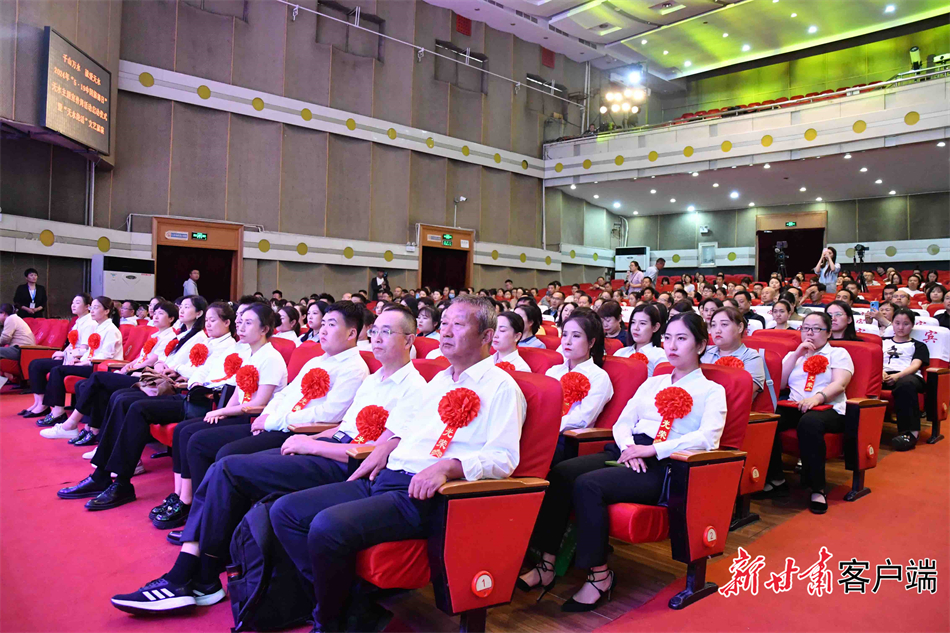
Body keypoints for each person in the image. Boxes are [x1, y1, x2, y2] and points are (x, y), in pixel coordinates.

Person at [144, 296, 523, 629]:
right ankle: (350, 606)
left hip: (425, 493)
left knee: (325, 525)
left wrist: (447, 467)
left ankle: (330, 622)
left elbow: (503, 457)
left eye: (459, 325)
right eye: (445, 323)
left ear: (487, 336)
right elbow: (401, 431)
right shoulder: (440, 380)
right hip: (382, 475)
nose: (446, 332)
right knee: (286, 512)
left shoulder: (502, 386)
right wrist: (384, 447)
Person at [110, 306, 427, 614]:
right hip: (328, 446)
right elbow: (343, 427)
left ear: (409, 340)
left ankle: (193, 574)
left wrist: (312, 445)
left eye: (387, 332)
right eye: (376, 331)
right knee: (224, 465)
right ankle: (198, 572)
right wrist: (310, 439)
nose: (377, 338)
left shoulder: (413, 388)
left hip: (346, 464)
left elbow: (375, 452)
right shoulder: (374, 379)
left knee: (230, 467)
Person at [518, 313, 726, 611]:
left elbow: (708, 438)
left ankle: (600, 576)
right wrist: (630, 447)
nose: (672, 346)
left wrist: (652, 451)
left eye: (681, 339)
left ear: (702, 345)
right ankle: (547, 563)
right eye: (668, 338)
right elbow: (623, 422)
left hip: (665, 464)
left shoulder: (712, 391)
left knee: (589, 485)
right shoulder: (653, 383)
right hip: (627, 449)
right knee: (561, 473)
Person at [58, 303, 282, 511]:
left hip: (205, 401)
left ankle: (119, 481)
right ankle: (103, 475)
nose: (240, 325)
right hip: (193, 392)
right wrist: (190, 381)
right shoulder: (241, 349)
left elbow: (231, 387)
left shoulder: (247, 351)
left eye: (246, 321)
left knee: (135, 406)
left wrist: (207, 395)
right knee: (125, 400)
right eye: (240, 320)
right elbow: (205, 372)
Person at [39, 301, 179, 442]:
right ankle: (92, 429)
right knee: (92, 385)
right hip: (133, 370)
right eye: (155, 312)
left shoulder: (170, 337)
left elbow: (151, 361)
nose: (155, 316)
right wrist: (128, 366)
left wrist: (129, 369)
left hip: (142, 376)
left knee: (97, 378)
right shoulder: (156, 335)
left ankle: (71, 424)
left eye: (161, 313)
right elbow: (141, 358)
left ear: (171, 318)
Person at [758, 312, 853, 514]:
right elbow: (779, 384)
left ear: (828, 333)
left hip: (830, 409)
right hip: (795, 406)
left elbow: (840, 384)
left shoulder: (838, 353)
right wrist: (796, 354)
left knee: (809, 423)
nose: (810, 333)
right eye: (806, 328)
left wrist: (817, 398)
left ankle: (817, 488)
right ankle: (776, 478)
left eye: (816, 329)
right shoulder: (794, 355)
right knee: (767, 419)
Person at [32, 297, 123, 428]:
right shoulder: (99, 327)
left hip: (101, 367)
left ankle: (58, 411)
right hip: (92, 363)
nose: (92, 311)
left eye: (96, 307)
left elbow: (106, 355)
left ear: (106, 311)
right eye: (91, 307)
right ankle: (55, 409)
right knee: (58, 368)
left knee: (58, 370)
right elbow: (91, 351)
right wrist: (79, 360)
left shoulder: (111, 330)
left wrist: (84, 362)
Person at [544, 309, 613, 465]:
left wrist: (548, 426)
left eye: (576, 336)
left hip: (567, 440)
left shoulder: (598, 377)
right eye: (565, 335)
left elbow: (583, 419)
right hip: (543, 433)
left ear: (591, 342)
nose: (567, 341)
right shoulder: (553, 371)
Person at [20, 293, 94, 418]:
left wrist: (64, 354)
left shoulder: (89, 323)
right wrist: (63, 353)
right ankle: (38, 402)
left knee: (38, 366)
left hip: (76, 359)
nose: (73, 305)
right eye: (73, 302)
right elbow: (72, 344)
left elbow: (85, 349)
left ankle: (43, 405)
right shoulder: (78, 321)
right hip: (69, 356)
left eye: (77, 303)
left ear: (87, 306)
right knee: (34, 363)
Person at [883, 308, 930, 452]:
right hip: (882, 375)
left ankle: (910, 434)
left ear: (912, 325)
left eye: (906, 324)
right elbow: (873, 360)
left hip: (909, 376)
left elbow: (915, 365)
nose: (901, 327)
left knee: (906, 384)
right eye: (897, 323)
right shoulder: (882, 342)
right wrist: (880, 372)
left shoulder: (919, 345)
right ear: (892, 323)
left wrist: (897, 376)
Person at [702, 307, 765, 398]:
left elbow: (743, 394)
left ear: (740, 327)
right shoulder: (703, 351)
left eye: (724, 324)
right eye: (713, 325)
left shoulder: (751, 357)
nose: (717, 330)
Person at [615, 304, 667, 376]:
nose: (636, 328)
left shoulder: (660, 357)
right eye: (633, 322)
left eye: (642, 323)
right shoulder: (621, 353)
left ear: (655, 327)